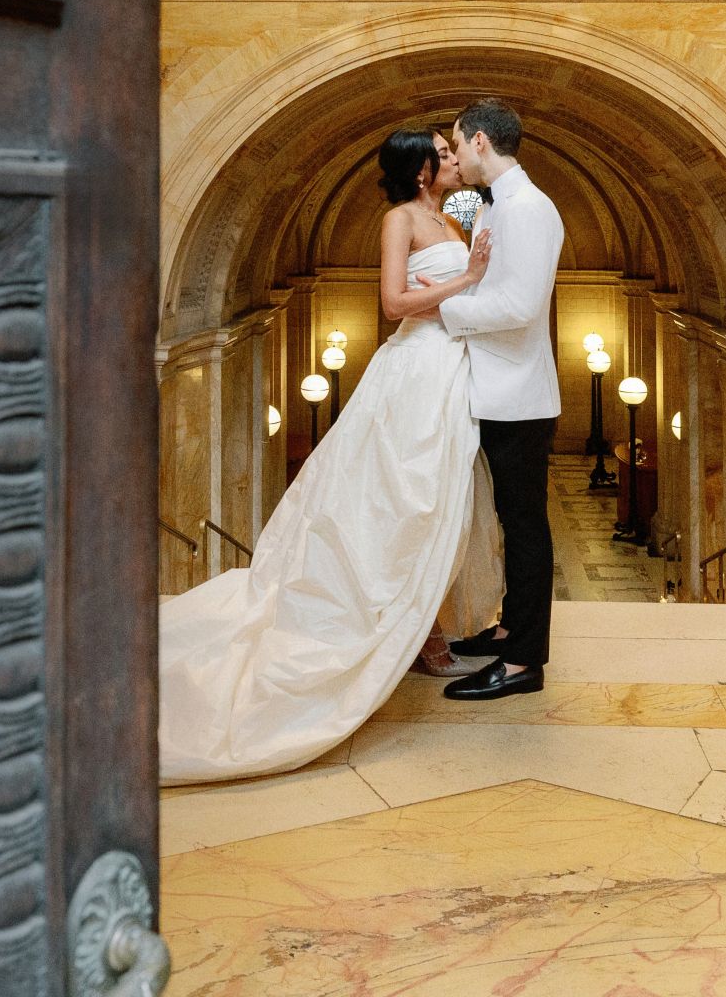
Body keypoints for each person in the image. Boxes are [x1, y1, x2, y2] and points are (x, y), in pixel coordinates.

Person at [159, 128, 495, 784]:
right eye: (443, 154)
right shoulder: (399, 219)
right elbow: (394, 302)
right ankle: (382, 625)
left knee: (442, 503)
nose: (453, 160)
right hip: (416, 370)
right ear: (423, 170)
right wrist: (470, 282)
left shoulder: (447, 216)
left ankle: (423, 631)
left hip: (453, 371)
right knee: (401, 498)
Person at [435, 99, 566, 700]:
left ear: (481, 142)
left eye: (458, 145)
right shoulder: (500, 206)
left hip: (520, 397)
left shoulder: (530, 209)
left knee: (526, 527)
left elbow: (520, 307)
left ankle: (522, 664)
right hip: (498, 390)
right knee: (509, 522)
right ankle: (511, 628)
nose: (456, 157)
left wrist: (448, 311)